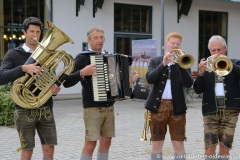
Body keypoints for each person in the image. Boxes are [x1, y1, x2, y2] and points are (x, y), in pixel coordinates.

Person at [63, 26, 138, 160]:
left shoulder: (109, 56)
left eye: (101, 37)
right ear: (89, 40)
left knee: (106, 143)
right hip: (92, 108)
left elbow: (117, 81)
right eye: (96, 37)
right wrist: (82, 72)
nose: (99, 40)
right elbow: (66, 82)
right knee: (90, 144)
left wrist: (130, 80)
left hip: (109, 107)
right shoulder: (82, 58)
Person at [0, 17, 61, 160]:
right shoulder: (13, 54)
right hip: (23, 110)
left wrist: (53, 88)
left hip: (45, 109)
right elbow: (1, 77)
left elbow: (50, 77)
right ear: (24, 33)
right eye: (31, 31)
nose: (34, 35)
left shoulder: (47, 54)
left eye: (38, 32)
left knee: (49, 149)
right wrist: (23, 68)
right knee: (27, 151)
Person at [144, 32, 193, 160]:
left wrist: (181, 65)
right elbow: (149, 78)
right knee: (156, 144)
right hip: (157, 107)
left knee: (178, 144)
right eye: (172, 43)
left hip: (177, 108)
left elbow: (188, 83)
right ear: (167, 44)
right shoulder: (156, 60)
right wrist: (164, 64)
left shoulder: (184, 62)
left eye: (177, 44)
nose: (175, 45)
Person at [193, 35, 240, 160]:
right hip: (210, 111)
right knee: (210, 148)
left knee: (225, 147)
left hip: (230, 111)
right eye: (213, 50)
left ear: (225, 49)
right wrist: (201, 73)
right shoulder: (206, 66)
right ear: (210, 51)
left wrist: (229, 63)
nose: (216, 53)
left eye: (219, 50)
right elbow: (197, 89)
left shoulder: (235, 63)